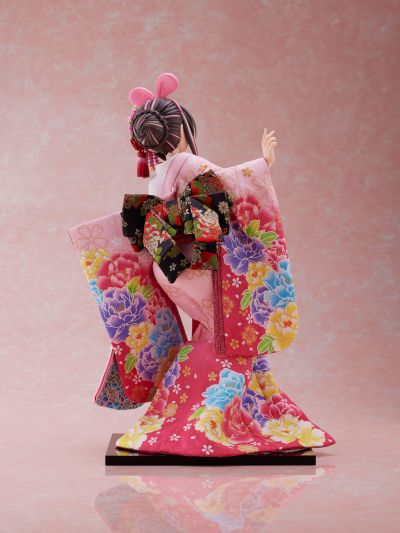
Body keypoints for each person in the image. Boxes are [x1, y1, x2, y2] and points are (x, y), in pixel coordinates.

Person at [69, 73, 336, 457]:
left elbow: (183, 209)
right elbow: (225, 184)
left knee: (213, 337)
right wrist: (263, 163)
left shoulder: (159, 174)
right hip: (191, 268)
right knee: (227, 341)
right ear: (180, 129)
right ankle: (218, 413)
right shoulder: (187, 162)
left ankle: (198, 408)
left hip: (168, 265)